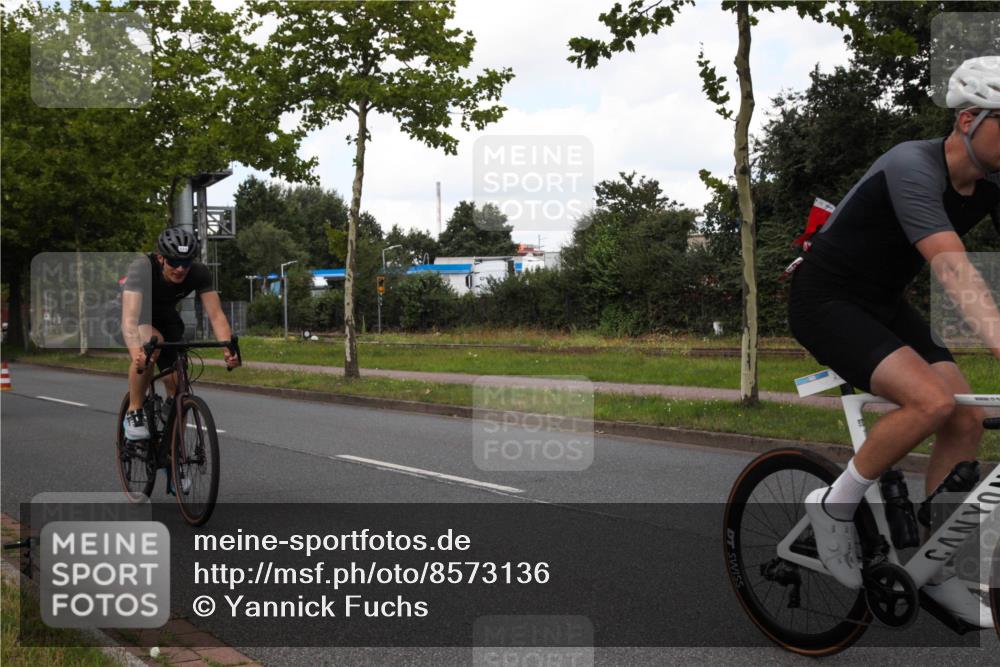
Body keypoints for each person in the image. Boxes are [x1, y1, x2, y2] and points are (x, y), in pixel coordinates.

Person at [788, 57, 1000, 626]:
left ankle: (935, 568)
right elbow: (955, 274)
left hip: (884, 304)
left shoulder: (991, 183)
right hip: (826, 300)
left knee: (965, 418)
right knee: (931, 401)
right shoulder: (912, 165)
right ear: (969, 120)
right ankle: (834, 505)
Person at [120, 227, 240, 446]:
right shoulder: (142, 268)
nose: (180, 269)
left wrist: (228, 348)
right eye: (174, 262)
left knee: (178, 384)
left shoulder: (199, 272)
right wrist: (137, 352)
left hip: (167, 316)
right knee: (151, 347)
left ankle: (175, 458)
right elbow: (129, 321)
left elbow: (216, 314)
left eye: (186, 263)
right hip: (138, 314)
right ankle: (134, 411)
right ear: (160, 258)